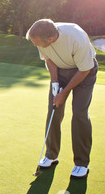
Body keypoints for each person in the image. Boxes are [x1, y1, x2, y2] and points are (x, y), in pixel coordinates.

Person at [26, 19, 98, 179]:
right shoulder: (39, 36)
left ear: (50, 39)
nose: (34, 44)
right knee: (53, 110)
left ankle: (81, 163)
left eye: (36, 42)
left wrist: (63, 93)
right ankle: (51, 155)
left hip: (84, 72)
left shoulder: (76, 38)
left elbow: (84, 70)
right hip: (60, 71)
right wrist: (55, 82)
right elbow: (49, 59)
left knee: (79, 114)